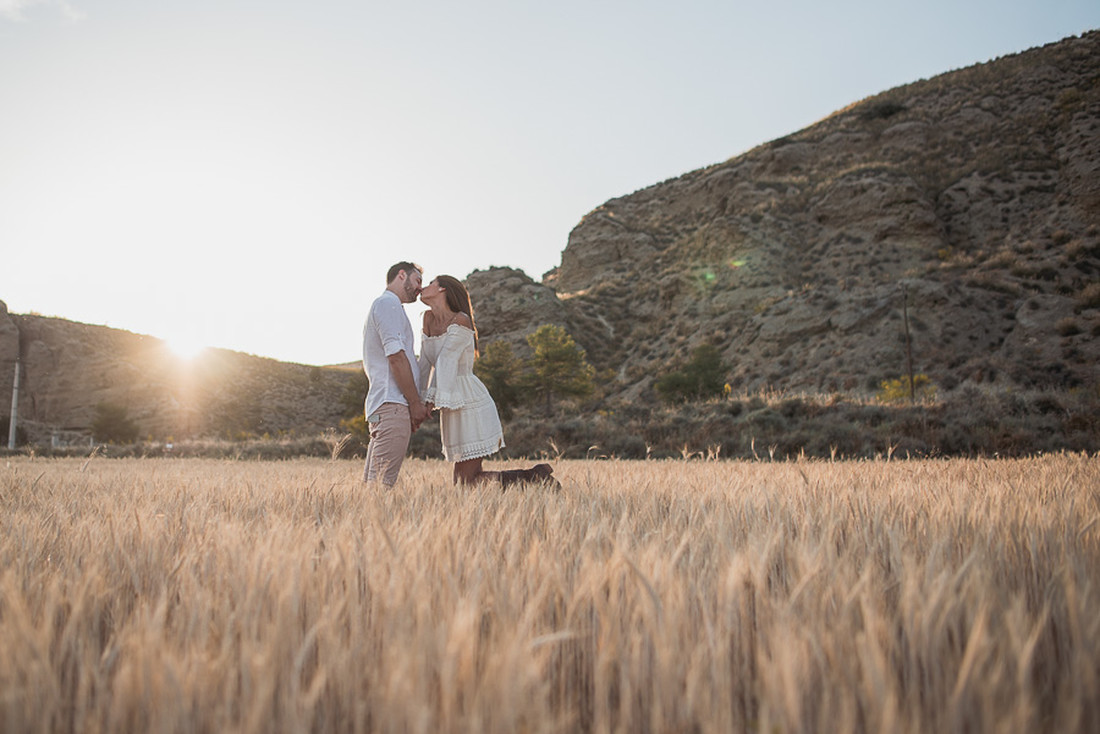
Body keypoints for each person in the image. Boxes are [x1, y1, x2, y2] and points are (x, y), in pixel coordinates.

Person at [418, 274, 557, 488]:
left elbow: (446, 360)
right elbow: (425, 362)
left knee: (466, 482)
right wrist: (418, 399)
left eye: (429, 284)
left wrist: (431, 401)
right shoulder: (427, 318)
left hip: (469, 401)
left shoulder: (461, 320)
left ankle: (534, 478)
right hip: (451, 402)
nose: (423, 287)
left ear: (442, 289)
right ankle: (534, 477)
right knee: (465, 483)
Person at [362, 261, 431, 487]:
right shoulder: (387, 304)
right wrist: (414, 403)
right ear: (402, 275)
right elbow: (396, 357)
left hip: (386, 404)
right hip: (392, 404)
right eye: (417, 281)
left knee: (372, 487)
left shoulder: (390, 307)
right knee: (380, 489)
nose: (420, 288)